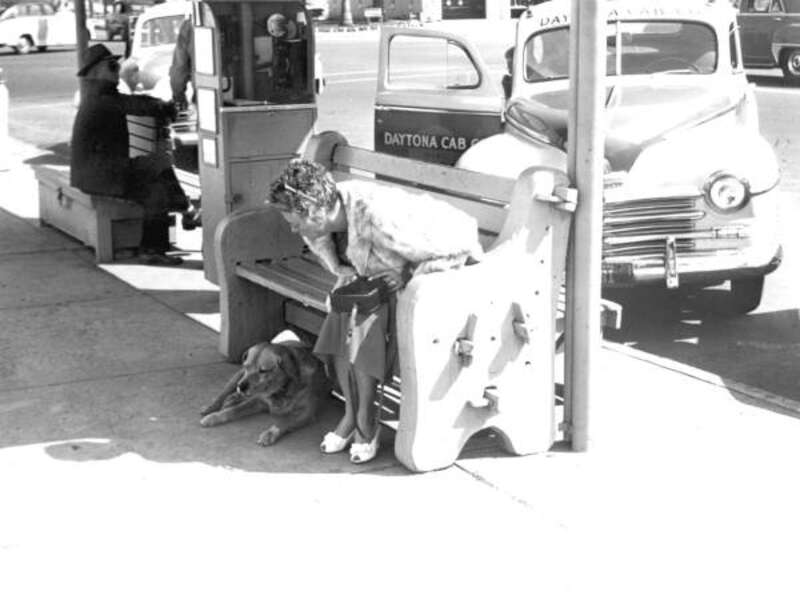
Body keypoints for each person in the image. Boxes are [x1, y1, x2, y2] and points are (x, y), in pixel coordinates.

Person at [268, 159, 482, 464]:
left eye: (296, 220)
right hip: (379, 286)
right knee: (341, 316)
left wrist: (409, 273)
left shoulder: (376, 216)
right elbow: (352, 265)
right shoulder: (324, 223)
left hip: (438, 283)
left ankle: (365, 419)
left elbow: (458, 246)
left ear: (314, 209)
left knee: (361, 322)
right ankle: (351, 415)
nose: (292, 228)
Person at [71, 43, 188, 265]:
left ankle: (185, 209)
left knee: (157, 167)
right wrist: (164, 106)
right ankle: (154, 247)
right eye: (112, 66)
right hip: (101, 173)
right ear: (96, 71)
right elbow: (135, 104)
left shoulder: (98, 95)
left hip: (103, 168)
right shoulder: (101, 98)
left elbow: (132, 102)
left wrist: (161, 105)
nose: (118, 70)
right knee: (156, 191)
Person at [168, 17, 202, 230]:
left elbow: (179, 68)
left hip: (210, 98)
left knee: (210, 162)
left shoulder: (194, 23)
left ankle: (207, 210)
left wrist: (178, 94)